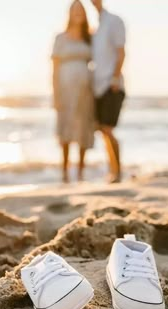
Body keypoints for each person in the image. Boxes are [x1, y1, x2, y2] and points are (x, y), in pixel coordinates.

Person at [51, 0, 94, 182]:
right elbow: (54, 68)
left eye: (80, 10)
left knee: (83, 128)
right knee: (66, 129)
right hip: (65, 89)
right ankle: (65, 173)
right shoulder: (61, 38)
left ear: (85, 14)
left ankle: (81, 173)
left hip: (85, 91)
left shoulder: (90, 38)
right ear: (69, 13)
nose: (78, 13)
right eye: (74, 10)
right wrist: (55, 94)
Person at [91, 0, 126, 183]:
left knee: (107, 128)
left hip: (112, 85)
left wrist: (115, 77)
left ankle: (118, 171)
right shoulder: (96, 27)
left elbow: (121, 52)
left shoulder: (114, 21)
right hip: (97, 87)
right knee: (102, 130)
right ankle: (112, 169)